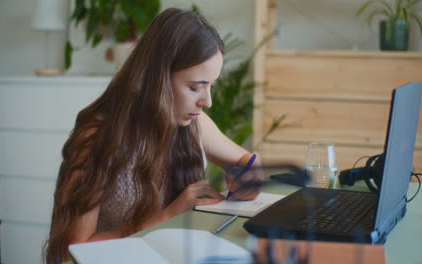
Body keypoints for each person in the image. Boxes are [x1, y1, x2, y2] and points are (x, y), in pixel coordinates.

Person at [44, 8, 261, 263]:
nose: (207, 101)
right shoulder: (97, 137)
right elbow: (72, 249)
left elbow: (245, 160)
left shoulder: (193, 123)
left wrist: (250, 175)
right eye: (194, 87)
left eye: (211, 86)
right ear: (156, 78)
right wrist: (167, 215)